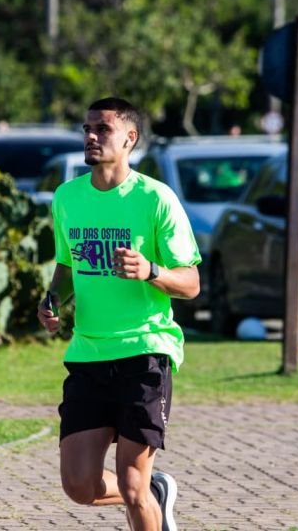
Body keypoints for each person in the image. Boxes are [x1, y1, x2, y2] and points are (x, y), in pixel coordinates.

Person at [37, 97, 201, 531]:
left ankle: (146, 495)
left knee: (131, 485)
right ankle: (157, 493)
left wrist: (151, 271)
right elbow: (68, 265)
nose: (91, 136)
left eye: (102, 129)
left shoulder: (155, 199)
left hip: (144, 353)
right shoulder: (68, 197)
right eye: (87, 128)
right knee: (79, 485)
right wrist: (52, 300)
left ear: (130, 138)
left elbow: (191, 283)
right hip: (89, 354)